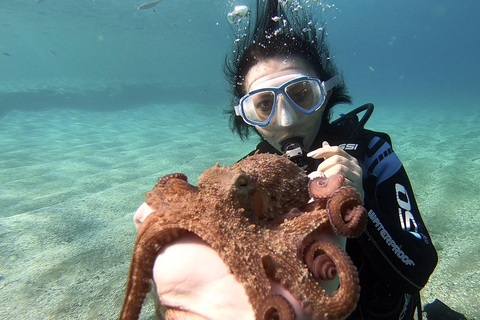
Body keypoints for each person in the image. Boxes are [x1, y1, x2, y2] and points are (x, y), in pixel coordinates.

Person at [133, 0, 438, 319]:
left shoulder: (372, 153)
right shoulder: (246, 178)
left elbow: (417, 270)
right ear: (246, 116)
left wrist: (361, 205)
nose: (287, 118)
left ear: (325, 95)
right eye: (264, 105)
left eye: (302, 95)